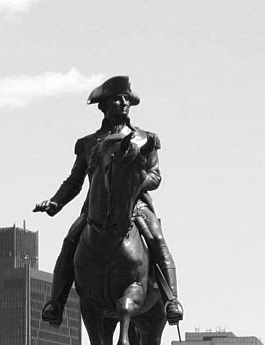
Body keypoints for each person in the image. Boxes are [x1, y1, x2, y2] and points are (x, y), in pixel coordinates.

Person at [34, 75, 183, 327]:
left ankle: (172, 300)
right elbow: (74, 181)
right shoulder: (88, 143)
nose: (123, 103)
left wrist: (133, 184)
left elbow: (155, 176)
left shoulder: (145, 139)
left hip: (135, 206)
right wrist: (55, 203)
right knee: (70, 240)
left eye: (126, 99)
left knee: (156, 238)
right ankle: (55, 302)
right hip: (96, 209)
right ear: (103, 106)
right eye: (117, 99)